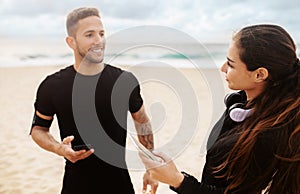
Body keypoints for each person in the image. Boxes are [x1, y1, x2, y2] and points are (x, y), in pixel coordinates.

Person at [139, 24, 300, 193]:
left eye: (231, 64)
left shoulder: (268, 134)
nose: (222, 68)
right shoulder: (240, 103)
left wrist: (178, 180)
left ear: (259, 75)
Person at [30, 7, 158, 194]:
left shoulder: (124, 81)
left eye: (102, 33)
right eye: (89, 35)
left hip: (119, 185)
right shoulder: (52, 86)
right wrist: (60, 149)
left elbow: (142, 121)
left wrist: (151, 167)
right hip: (76, 185)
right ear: (71, 42)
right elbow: (38, 129)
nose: (99, 41)